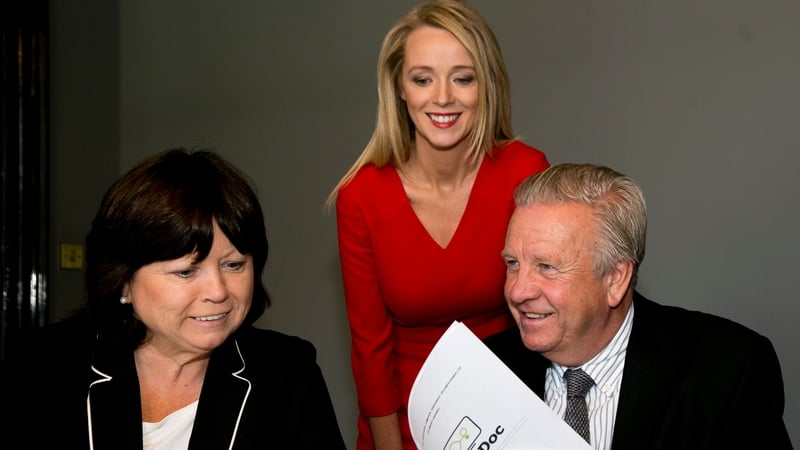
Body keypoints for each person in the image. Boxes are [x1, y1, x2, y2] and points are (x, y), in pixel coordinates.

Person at [0, 148, 347, 449]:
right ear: (123, 281)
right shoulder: (42, 368)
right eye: (186, 271)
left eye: (233, 265)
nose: (218, 291)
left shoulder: (288, 374)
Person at [325, 1, 549, 448]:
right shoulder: (361, 196)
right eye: (422, 79)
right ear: (399, 88)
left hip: (513, 410)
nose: (442, 97)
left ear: (486, 84)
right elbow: (369, 348)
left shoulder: (526, 172)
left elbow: (554, 305)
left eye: (462, 78)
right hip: (402, 420)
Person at [484, 163, 793, 449]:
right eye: (512, 263)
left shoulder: (726, 372)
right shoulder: (485, 368)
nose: (517, 291)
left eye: (546, 267)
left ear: (615, 279)